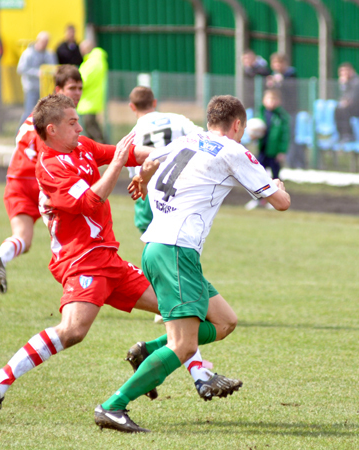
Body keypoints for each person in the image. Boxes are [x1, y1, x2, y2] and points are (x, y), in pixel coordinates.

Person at [93, 95, 291, 433]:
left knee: (225, 321)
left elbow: (149, 162)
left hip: (160, 247)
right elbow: (281, 203)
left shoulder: (187, 139)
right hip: (175, 251)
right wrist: (278, 186)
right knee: (183, 345)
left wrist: (142, 180)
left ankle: (147, 351)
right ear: (238, 124)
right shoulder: (233, 151)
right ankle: (113, 406)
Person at [0, 94, 160, 424]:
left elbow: (129, 153)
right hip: (81, 261)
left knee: (175, 308)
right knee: (73, 331)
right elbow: (90, 201)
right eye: (73, 123)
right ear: (53, 129)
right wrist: (118, 163)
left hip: (109, 259)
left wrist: (170, 153)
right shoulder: (49, 168)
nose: (80, 128)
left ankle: (166, 362)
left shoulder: (82, 147)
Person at [0, 64, 83, 294]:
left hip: (17, 181)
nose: (77, 93)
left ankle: (1, 256)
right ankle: (81, 282)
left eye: (80, 88)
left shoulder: (36, 115)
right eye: (72, 88)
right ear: (58, 89)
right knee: (75, 232)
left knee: (23, 238)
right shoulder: (58, 123)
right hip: (42, 185)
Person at [126, 85, 203, 234]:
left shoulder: (133, 133)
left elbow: (133, 170)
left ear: (132, 107)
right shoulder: (177, 119)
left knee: (148, 228)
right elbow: (200, 136)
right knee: (182, 230)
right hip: (180, 182)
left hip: (151, 184)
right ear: (154, 102)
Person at [245, 89, 290, 210]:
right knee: (259, 176)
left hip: (274, 152)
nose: (271, 102)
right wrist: (253, 136)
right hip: (263, 151)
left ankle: (275, 201)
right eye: (269, 99)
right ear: (264, 101)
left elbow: (285, 135)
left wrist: (282, 151)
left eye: (274, 99)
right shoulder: (260, 114)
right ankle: (258, 200)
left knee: (276, 177)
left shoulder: (281, 116)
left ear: (278, 101)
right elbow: (255, 130)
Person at [266, 53, 302, 168]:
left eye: (280, 63)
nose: (277, 65)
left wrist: (282, 83)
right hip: (278, 112)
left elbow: (291, 92)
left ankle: (292, 163)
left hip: (290, 111)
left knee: (290, 136)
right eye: (275, 63)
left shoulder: (291, 75)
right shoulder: (273, 76)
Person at [17, 31, 57, 124]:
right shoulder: (28, 53)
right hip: (31, 87)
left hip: (45, 89)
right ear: (38, 40)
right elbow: (21, 69)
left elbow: (53, 68)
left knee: (45, 113)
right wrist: (37, 72)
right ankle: (21, 130)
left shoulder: (49, 54)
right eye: (43, 42)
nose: (45, 44)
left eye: (47, 42)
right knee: (29, 112)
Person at [77, 39, 108, 143]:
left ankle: (104, 149)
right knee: (92, 130)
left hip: (89, 102)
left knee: (93, 131)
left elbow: (83, 80)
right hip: (91, 100)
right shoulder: (96, 60)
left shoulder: (92, 62)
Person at [334, 62, 359, 142]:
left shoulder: (357, 82)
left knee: (343, 110)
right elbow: (343, 97)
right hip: (352, 107)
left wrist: (344, 86)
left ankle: (348, 135)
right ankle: (341, 135)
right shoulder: (347, 83)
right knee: (338, 109)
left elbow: (353, 98)